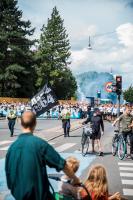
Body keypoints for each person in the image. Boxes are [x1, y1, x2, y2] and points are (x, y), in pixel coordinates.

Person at [5, 111, 80, 200]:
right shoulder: (39, 144)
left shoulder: (12, 148)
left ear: (21, 123)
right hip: (39, 196)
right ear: (35, 123)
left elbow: (9, 178)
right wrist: (75, 179)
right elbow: (62, 164)